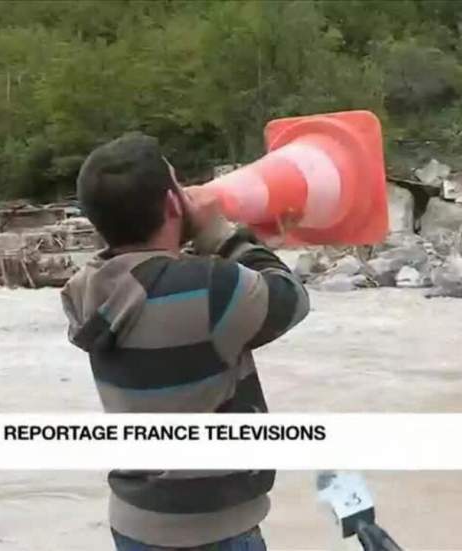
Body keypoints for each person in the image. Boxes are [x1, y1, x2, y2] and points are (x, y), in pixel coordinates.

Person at [60, 133, 310, 550]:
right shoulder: (210, 290)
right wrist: (220, 234)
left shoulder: (84, 291)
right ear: (174, 203)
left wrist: (182, 238)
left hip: (133, 523)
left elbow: (156, 276)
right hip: (215, 531)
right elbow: (291, 297)